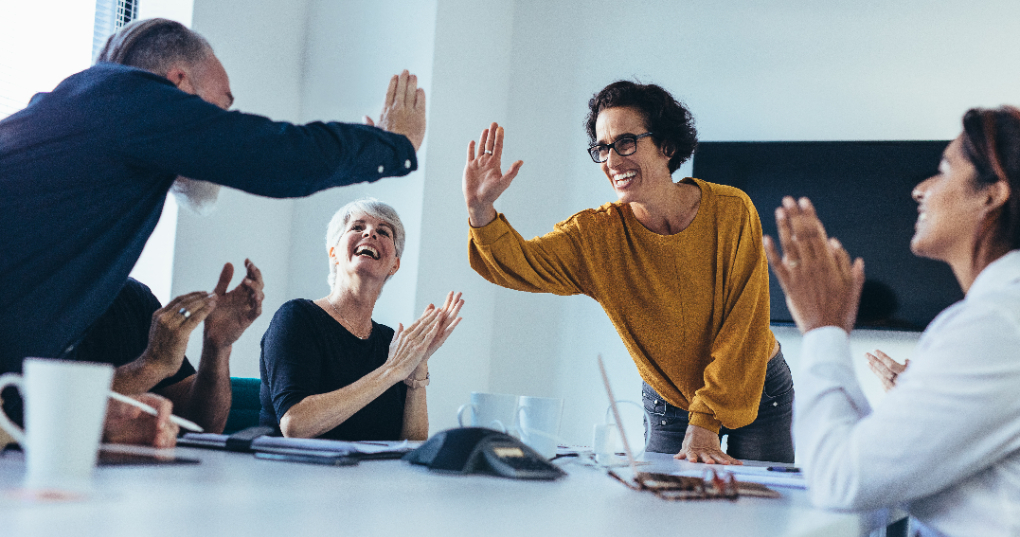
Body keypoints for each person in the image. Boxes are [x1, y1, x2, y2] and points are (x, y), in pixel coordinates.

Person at [0, 18, 426, 444]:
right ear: (179, 85)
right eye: (220, 111)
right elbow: (272, 153)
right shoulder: (124, 95)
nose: (219, 128)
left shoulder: (79, 129)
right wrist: (393, 143)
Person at [463, 81, 792, 464]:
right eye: (602, 148)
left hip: (757, 385)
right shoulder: (595, 235)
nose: (612, 160)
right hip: (669, 403)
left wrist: (705, 421)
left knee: (760, 515)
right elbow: (519, 264)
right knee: (664, 514)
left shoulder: (733, 210)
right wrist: (479, 209)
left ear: (667, 146)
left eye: (625, 142)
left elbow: (744, 326)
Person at [763, 107, 1020, 536]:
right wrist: (917, 402)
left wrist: (824, 330)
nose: (920, 190)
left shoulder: (994, 325)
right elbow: (875, 471)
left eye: (942, 170)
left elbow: (840, 480)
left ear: (991, 195)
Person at [260, 198, 463, 441]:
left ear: (394, 265)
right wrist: (392, 370)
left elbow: (411, 445)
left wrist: (418, 365)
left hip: (368, 478)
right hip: (293, 475)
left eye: (383, 231)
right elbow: (295, 425)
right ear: (333, 252)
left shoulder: (393, 343)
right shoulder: (297, 318)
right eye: (357, 227)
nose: (370, 233)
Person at [75, 260, 264, 434]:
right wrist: (152, 366)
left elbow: (202, 427)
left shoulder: (131, 297)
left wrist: (217, 346)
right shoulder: (46, 298)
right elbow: (57, 412)